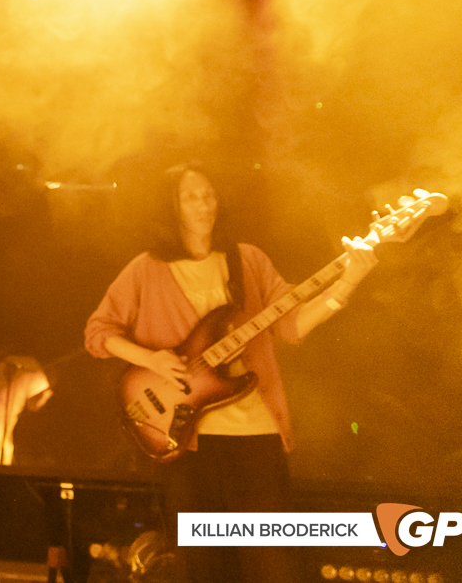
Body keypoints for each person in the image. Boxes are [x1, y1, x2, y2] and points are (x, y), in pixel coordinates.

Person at [84, 162, 377, 583]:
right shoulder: (146, 269)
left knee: (273, 563)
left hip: (256, 434)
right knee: (202, 565)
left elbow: (291, 325)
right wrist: (153, 359)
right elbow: (99, 332)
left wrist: (347, 283)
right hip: (185, 440)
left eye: (209, 194)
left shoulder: (247, 260)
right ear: (172, 207)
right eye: (191, 196)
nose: (204, 204)